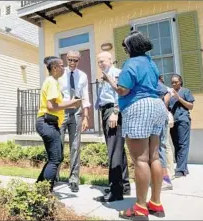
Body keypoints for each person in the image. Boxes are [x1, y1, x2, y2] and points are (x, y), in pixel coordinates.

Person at [104, 31, 167, 220]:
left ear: (131, 47)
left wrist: (110, 81)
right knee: (154, 158)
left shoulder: (131, 63)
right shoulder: (150, 62)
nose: (124, 49)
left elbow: (123, 91)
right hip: (156, 106)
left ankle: (140, 208)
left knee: (140, 160)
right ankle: (155, 203)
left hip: (138, 108)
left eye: (125, 46)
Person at [36, 56, 82, 192]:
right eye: (62, 65)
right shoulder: (52, 82)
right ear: (55, 68)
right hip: (48, 122)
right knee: (56, 159)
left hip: (47, 122)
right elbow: (51, 106)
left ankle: (39, 189)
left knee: (54, 158)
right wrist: (73, 103)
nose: (64, 68)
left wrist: (71, 104)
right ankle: (44, 193)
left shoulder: (51, 81)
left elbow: (54, 105)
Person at [93, 51, 131, 202]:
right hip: (106, 110)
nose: (101, 64)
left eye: (103, 61)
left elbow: (122, 94)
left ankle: (115, 192)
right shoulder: (104, 75)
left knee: (114, 151)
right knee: (118, 151)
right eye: (99, 62)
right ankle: (124, 186)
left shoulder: (116, 73)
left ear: (111, 60)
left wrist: (115, 111)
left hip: (113, 111)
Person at [56, 50, 91, 193]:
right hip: (61, 112)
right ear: (66, 59)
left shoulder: (82, 76)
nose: (72, 63)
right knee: (57, 145)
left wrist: (86, 116)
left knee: (75, 146)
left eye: (75, 60)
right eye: (70, 59)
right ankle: (55, 176)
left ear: (79, 60)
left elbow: (85, 96)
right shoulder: (58, 74)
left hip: (76, 113)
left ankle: (74, 179)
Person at [169, 74, 195, 178]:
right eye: (172, 82)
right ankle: (183, 168)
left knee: (183, 144)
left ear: (180, 82)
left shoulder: (185, 91)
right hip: (173, 122)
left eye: (176, 82)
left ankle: (180, 169)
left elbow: (191, 106)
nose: (174, 84)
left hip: (183, 120)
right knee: (176, 145)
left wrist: (179, 98)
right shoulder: (170, 93)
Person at [157, 77, 174, 191]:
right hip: (153, 118)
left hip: (158, 118)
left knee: (161, 147)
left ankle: (166, 179)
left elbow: (166, 93)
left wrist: (163, 107)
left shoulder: (152, 80)